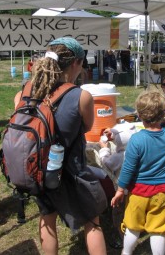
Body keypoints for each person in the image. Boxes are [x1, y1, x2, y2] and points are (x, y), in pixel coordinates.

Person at [28, 37, 106, 255]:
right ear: (76, 64)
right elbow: (87, 126)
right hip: (72, 171)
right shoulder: (81, 96)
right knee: (93, 222)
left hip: (39, 170)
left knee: (47, 221)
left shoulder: (27, 92)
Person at [111, 91, 165, 255]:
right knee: (158, 229)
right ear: (163, 114)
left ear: (140, 115)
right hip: (163, 191)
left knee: (133, 227)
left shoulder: (137, 139)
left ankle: (126, 252)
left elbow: (128, 168)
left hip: (139, 192)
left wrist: (120, 190)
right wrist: (163, 116)